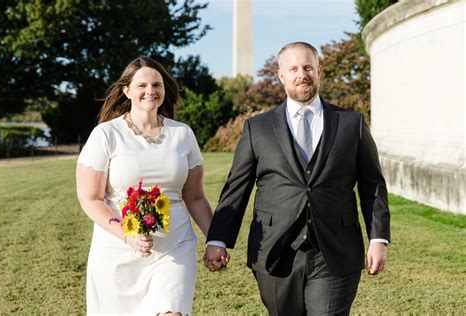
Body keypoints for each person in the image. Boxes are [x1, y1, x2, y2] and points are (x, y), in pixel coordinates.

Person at [204, 42, 390, 315]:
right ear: (281, 75)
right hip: (274, 251)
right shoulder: (258, 128)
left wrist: (378, 238)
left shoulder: (352, 123)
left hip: (336, 251)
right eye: (293, 68)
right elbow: (236, 188)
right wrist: (218, 239)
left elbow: (372, 185)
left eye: (307, 67)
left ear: (319, 71)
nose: (301, 74)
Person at [76, 56, 213, 315]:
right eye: (142, 85)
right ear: (127, 90)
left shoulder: (183, 134)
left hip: (175, 246)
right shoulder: (106, 134)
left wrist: (214, 239)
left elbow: (195, 197)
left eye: (157, 85)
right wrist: (126, 235)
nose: (150, 91)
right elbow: (91, 198)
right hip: (117, 250)